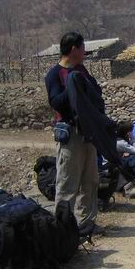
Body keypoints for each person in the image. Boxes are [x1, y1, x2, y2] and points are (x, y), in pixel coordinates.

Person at [45, 32, 102, 236]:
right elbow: (56, 102)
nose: (85, 51)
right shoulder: (55, 74)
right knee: (68, 183)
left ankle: (87, 223)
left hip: (88, 133)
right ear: (73, 49)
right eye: (83, 47)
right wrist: (72, 87)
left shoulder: (81, 71)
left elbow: (96, 92)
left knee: (90, 181)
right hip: (71, 135)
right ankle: (63, 232)